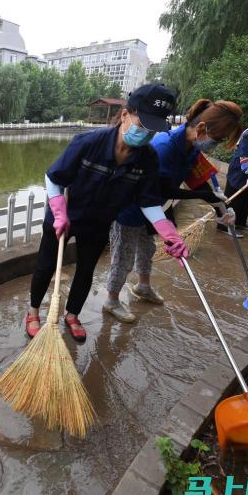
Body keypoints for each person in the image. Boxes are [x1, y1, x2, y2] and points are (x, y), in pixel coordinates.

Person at [25, 84, 189, 341]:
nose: (146, 133)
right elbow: (54, 178)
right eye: (142, 123)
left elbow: (148, 202)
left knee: (86, 270)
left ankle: (72, 315)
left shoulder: (148, 159)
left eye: (154, 129)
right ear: (125, 115)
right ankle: (33, 311)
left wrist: (170, 234)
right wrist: (58, 212)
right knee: (46, 266)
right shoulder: (89, 142)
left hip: (99, 222)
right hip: (63, 217)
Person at [104, 99, 244, 322]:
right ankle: (111, 300)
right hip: (129, 208)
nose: (215, 144)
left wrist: (221, 208)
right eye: (217, 139)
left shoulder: (189, 148)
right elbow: (161, 188)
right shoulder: (164, 147)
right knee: (123, 256)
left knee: (147, 249)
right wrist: (201, 196)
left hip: (154, 209)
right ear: (202, 129)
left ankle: (143, 286)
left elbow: (197, 181)